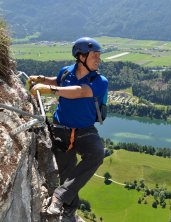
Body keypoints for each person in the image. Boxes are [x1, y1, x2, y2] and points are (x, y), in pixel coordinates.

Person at [29, 37, 108, 221]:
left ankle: (58, 197)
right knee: (67, 176)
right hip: (61, 130)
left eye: (99, 56)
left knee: (97, 153)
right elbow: (58, 81)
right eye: (95, 55)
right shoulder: (65, 72)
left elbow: (80, 91)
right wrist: (41, 79)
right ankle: (69, 210)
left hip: (84, 130)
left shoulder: (100, 80)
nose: (99, 59)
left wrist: (49, 89)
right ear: (81, 57)